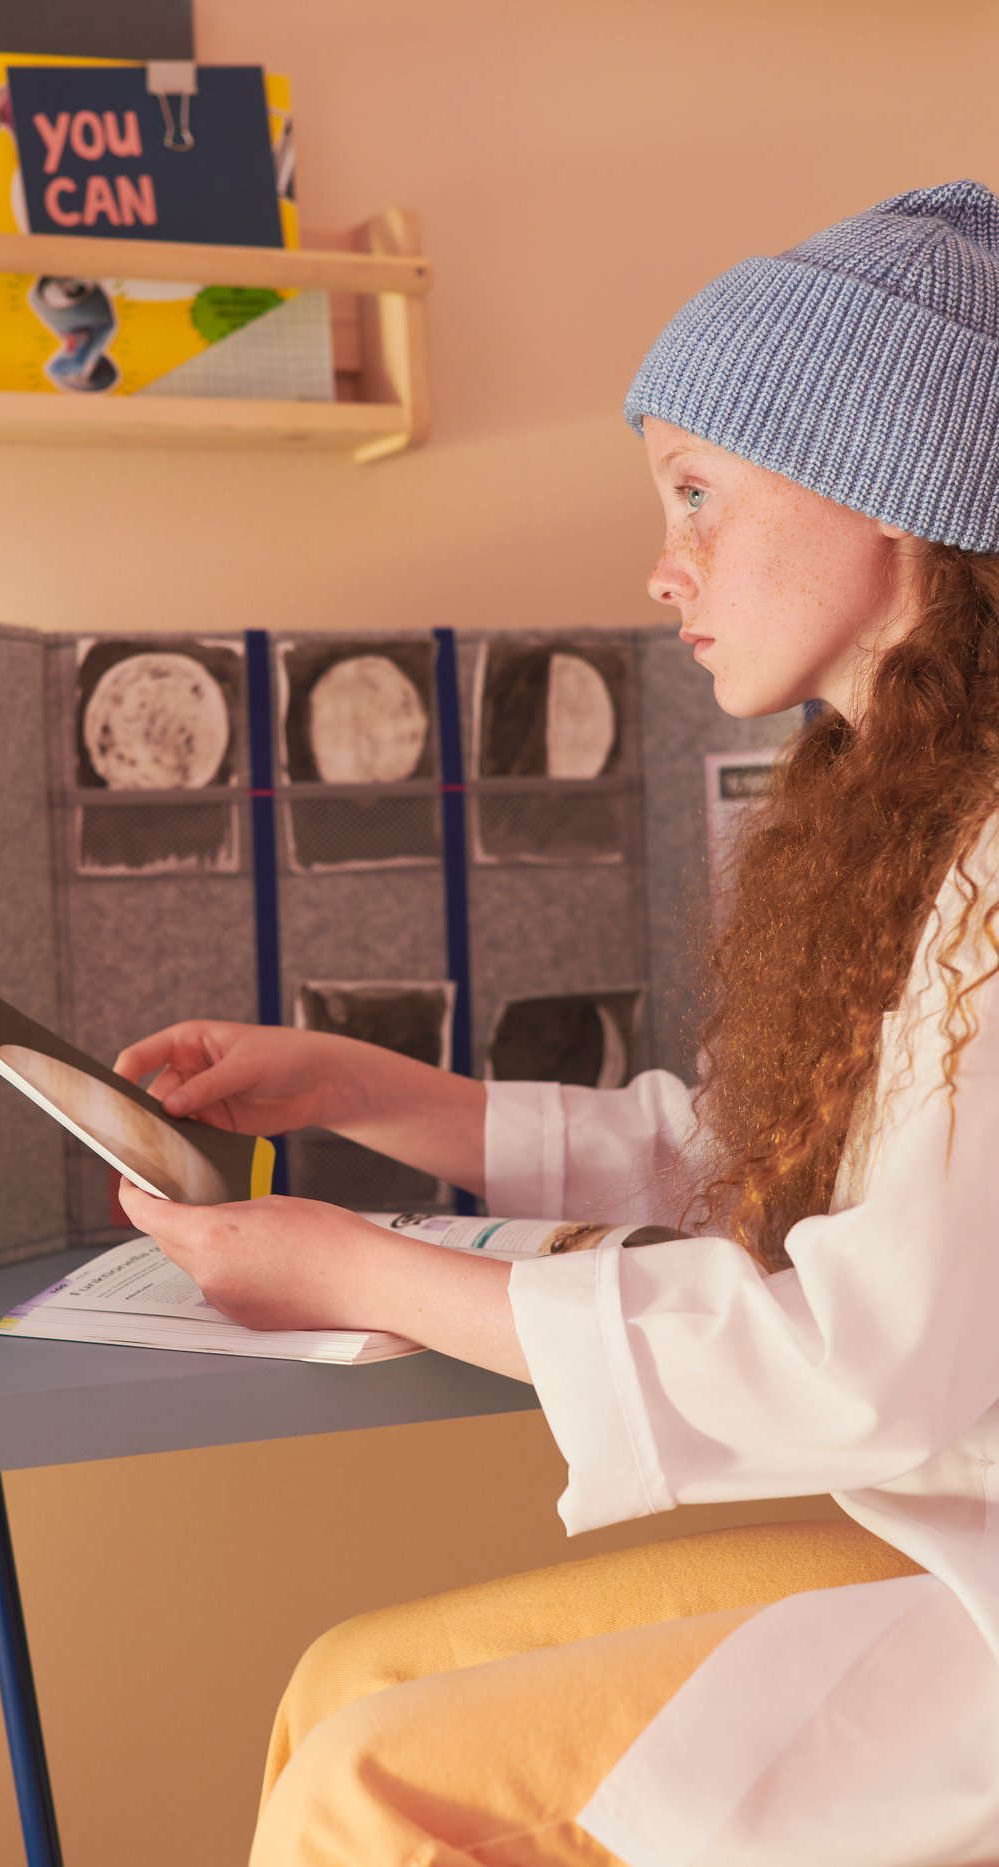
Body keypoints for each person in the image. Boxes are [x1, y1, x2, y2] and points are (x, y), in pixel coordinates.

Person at [114, 179, 999, 1865]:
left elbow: (862, 1358)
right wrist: (362, 1085)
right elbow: (753, 1150)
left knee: (372, 1786)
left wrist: (365, 1273)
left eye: (697, 492)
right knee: (342, 1684)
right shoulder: (914, 812)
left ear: (892, 486)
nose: (661, 568)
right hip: (954, 1542)